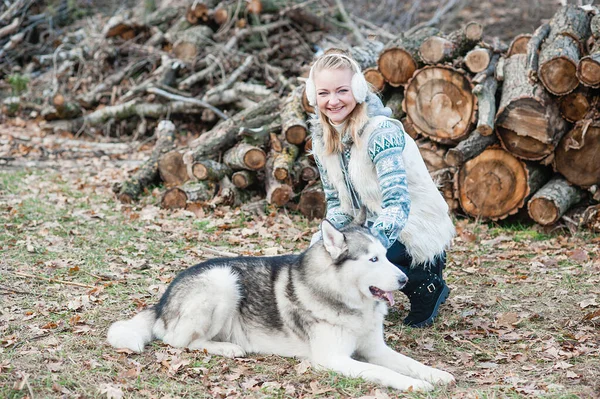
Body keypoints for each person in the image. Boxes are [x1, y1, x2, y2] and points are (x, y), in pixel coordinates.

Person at [306, 50, 456, 328]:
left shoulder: (381, 134)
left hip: (412, 224)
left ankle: (426, 282)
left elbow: (398, 204)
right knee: (322, 261)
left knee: (358, 263)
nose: (333, 100)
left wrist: (366, 248)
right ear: (314, 96)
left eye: (342, 90)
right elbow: (338, 206)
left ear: (358, 90)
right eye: (324, 93)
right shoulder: (322, 141)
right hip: (367, 224)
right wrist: (322, 245)